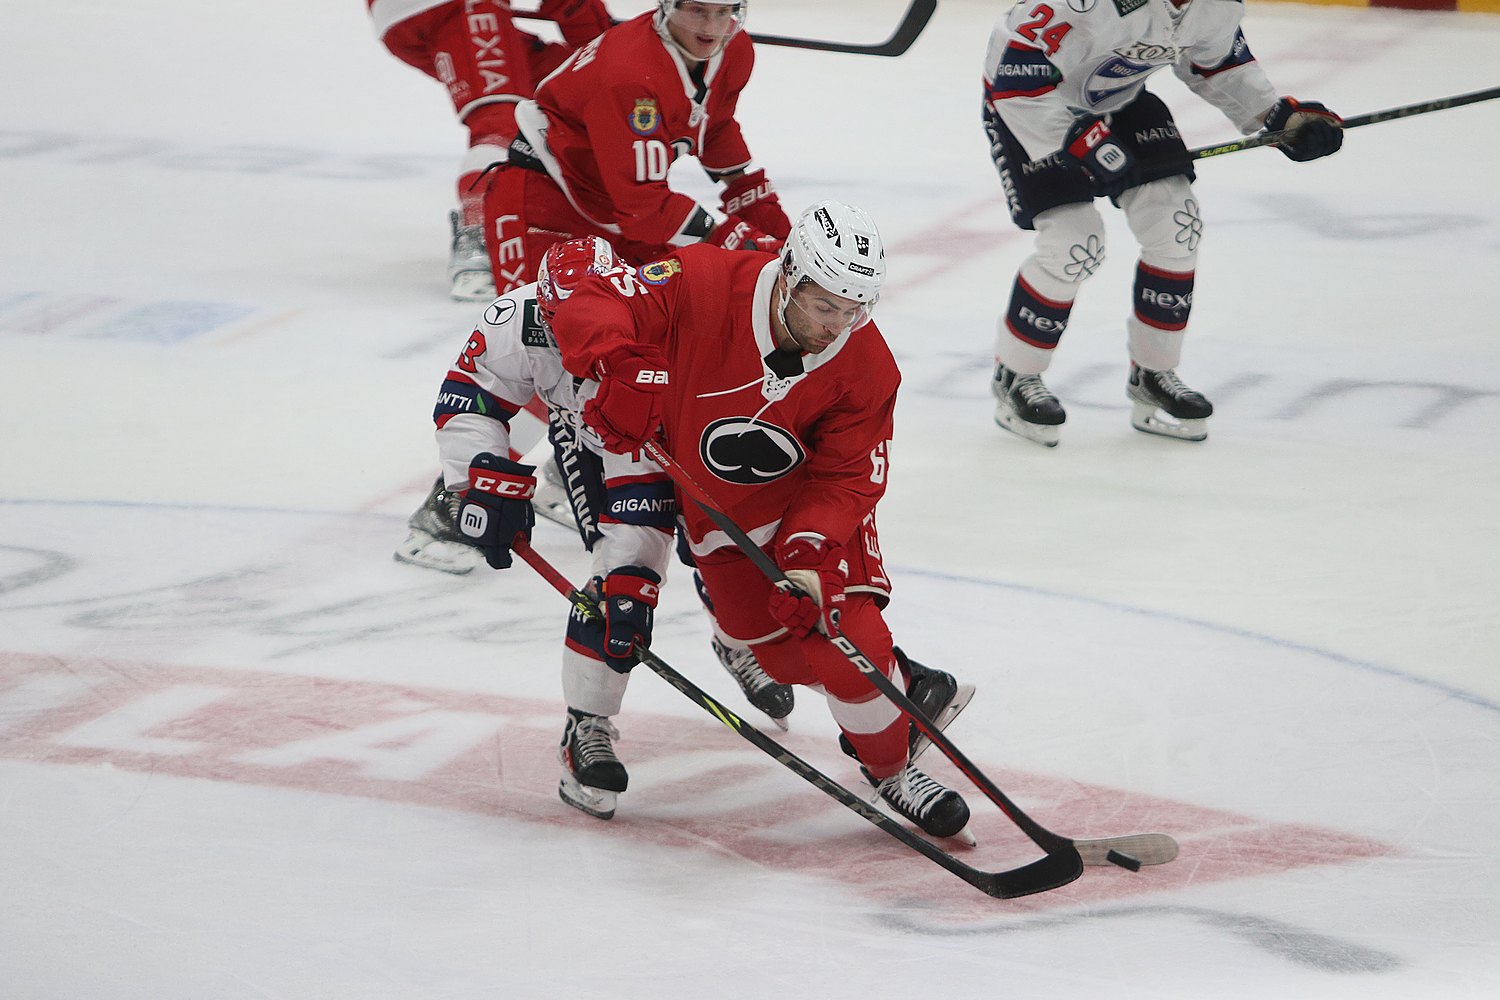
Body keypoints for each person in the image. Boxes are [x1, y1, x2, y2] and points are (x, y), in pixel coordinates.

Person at [546, 201, 976, 840]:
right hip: (712, 512)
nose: (837, 326)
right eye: (824, 306)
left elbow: (846, 477)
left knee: (842, 635)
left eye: (854, 309)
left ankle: (890, 768)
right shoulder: (703, 283)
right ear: (789, 274)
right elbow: (594, 300)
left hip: (799, 511)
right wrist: (618, 365)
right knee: (779, 658)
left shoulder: (867, 367)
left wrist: (805, 557)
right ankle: (905, 684)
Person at [404, 236, 799, 731]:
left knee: (718, 543)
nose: (575, 337)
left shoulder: (658, 308)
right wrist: (477, 477)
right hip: (592, 440)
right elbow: (470, 395)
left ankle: (737, 638)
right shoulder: (516, 320)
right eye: (559, 322)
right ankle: (587, 724)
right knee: (620, 582)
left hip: (678, 429)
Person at [981, 0, 1344, 445]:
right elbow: (1017, 78)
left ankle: (1153, 375)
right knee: (1076, 244)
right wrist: (1089, 146)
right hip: (1029, 106)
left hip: (1118, 99)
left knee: (1177, 226)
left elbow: (1218, 63)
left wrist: (1278, 117)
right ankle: (1016, 376)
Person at [492, 0, 791, 288]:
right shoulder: (631, 75)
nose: (711, 27)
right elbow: (645, 210)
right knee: (556, 327)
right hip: (545, 199)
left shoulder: (734, 50)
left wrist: (770, 224)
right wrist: (731, 235)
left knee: (683, 314)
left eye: (723, 12)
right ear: (669, 5)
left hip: (617, 208)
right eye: (697, 10)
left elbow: (714, 126)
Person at [365, 0, 612, 300]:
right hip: (455, 6)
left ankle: (544, 226)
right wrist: (599, 38)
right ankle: (479, 233)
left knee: (565, 81)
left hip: (408, 16)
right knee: (499, 122)